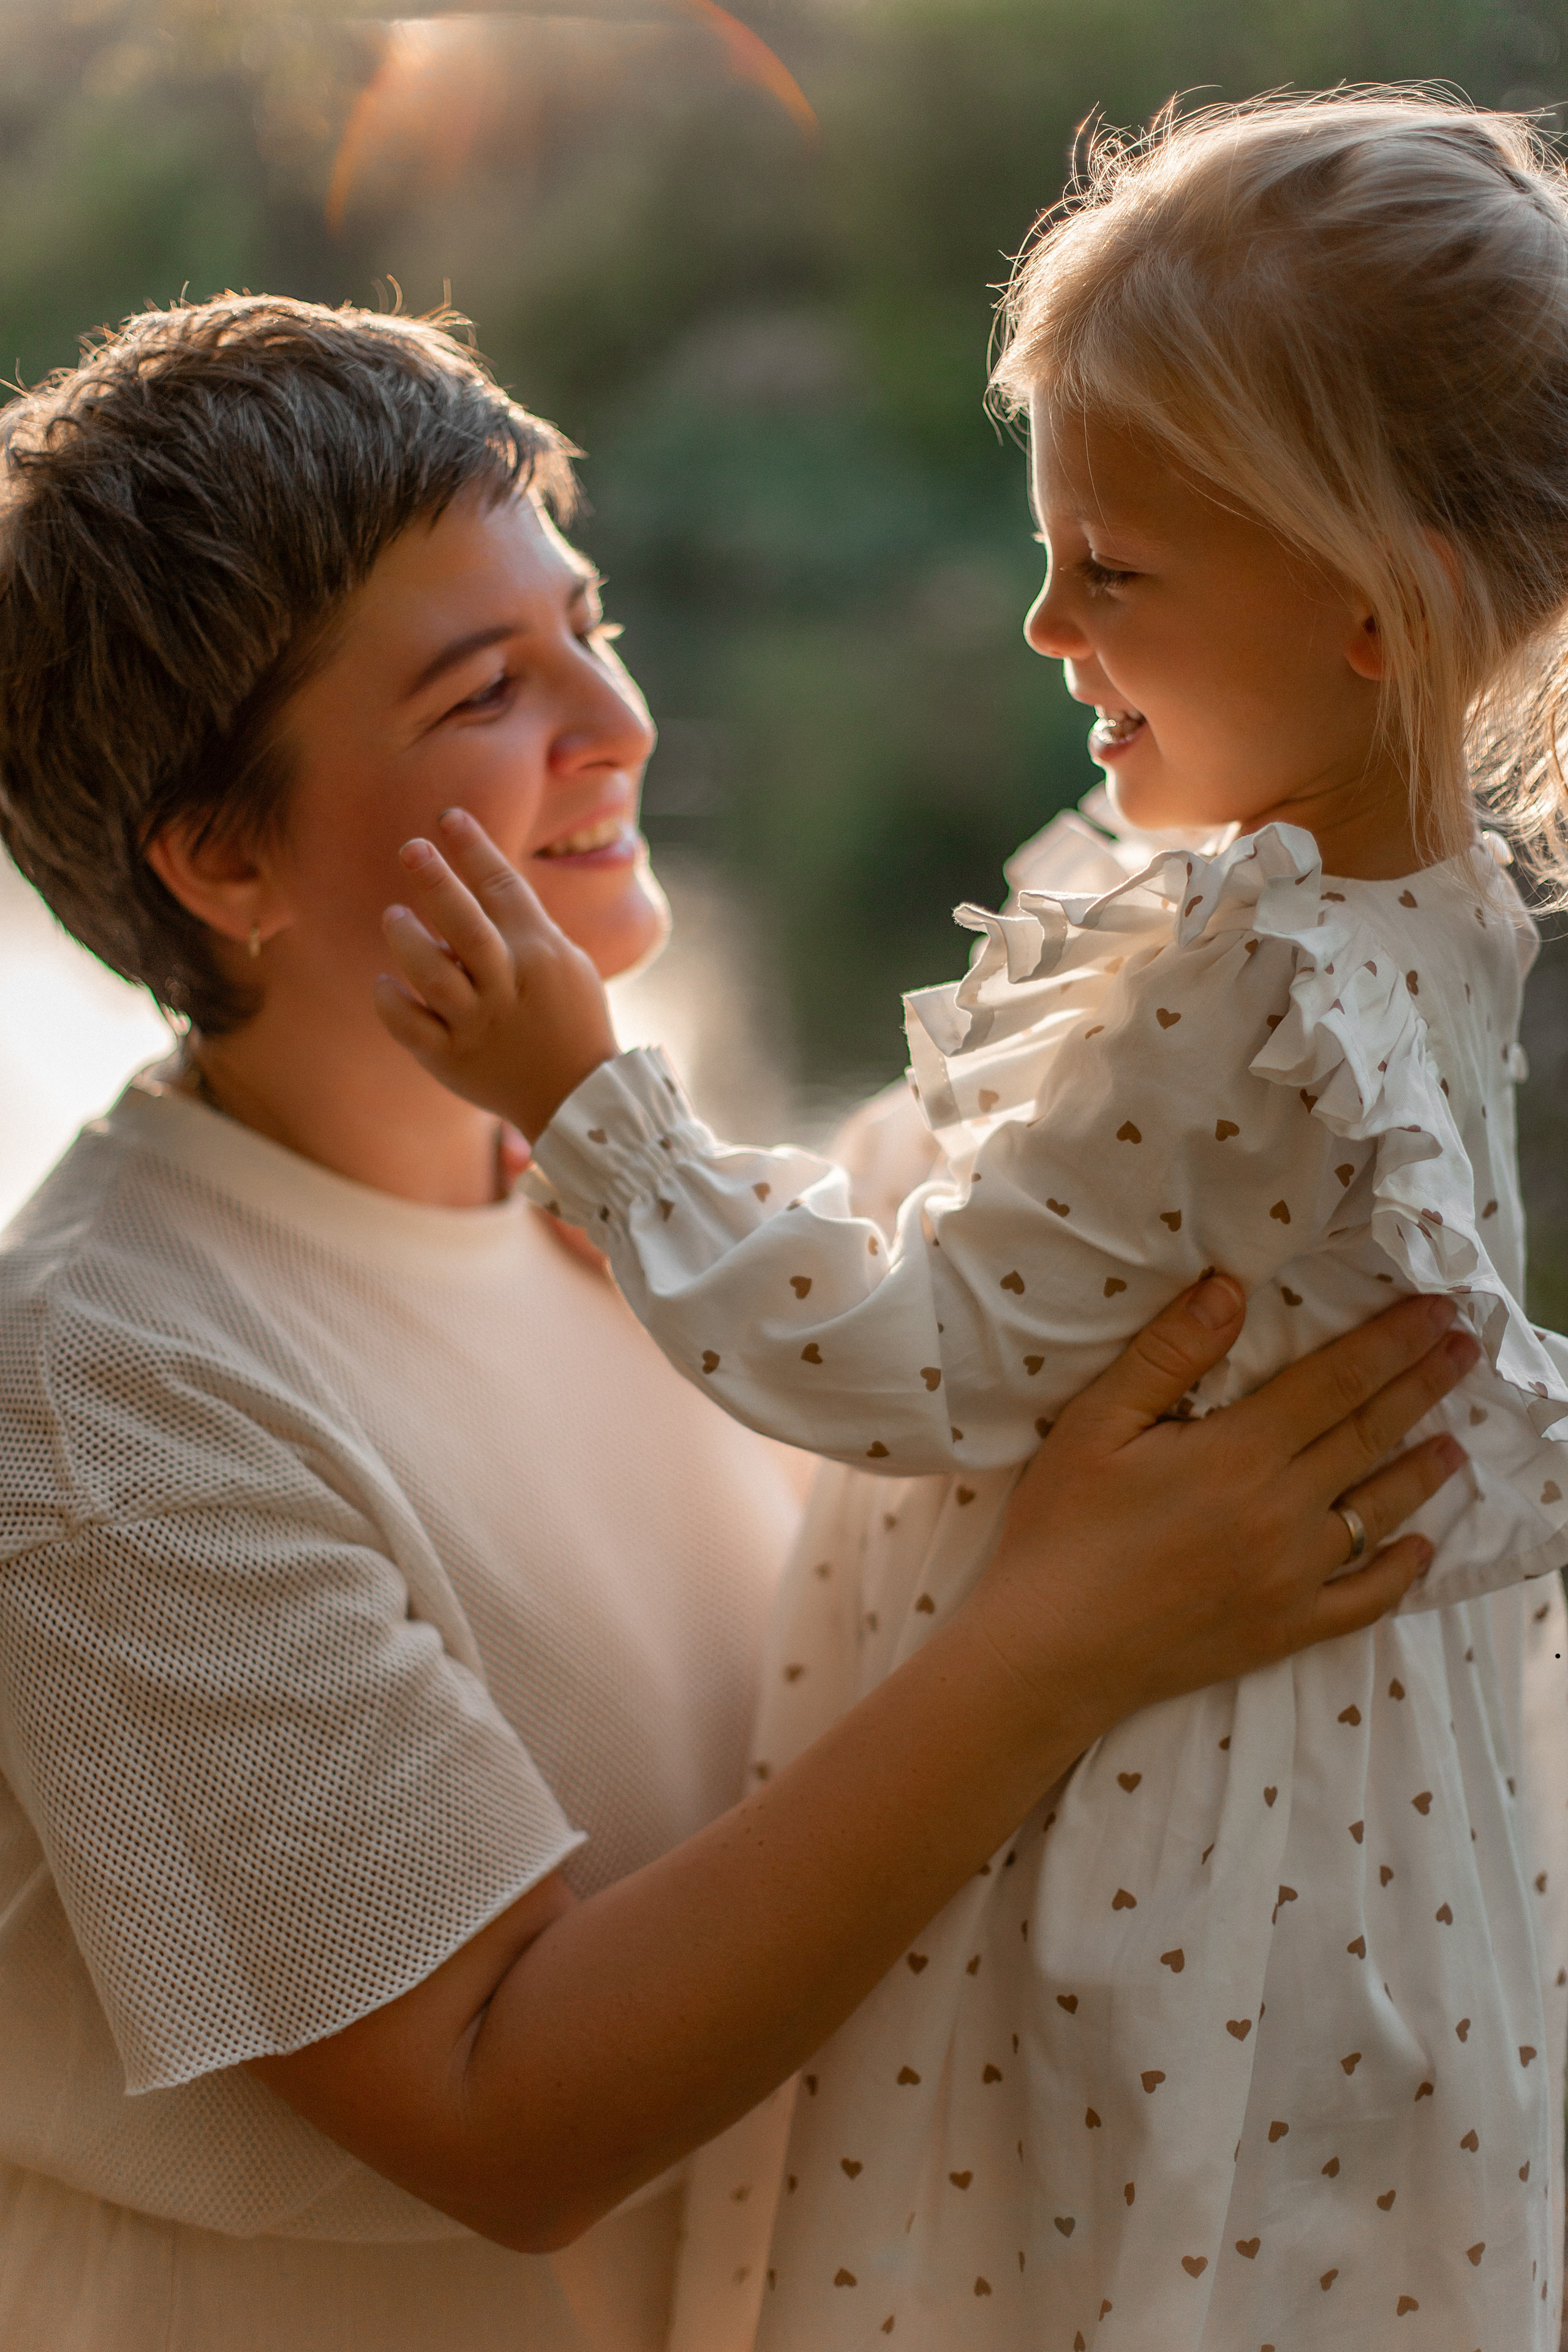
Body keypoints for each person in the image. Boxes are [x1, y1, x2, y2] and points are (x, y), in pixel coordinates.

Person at [372, 95, 1568, 2350]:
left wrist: (593, 1113)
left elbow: (914, 1366)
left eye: (1109, 573)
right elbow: (1087, 1259)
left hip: (1154, 1810)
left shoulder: (1236, 973)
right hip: (1366, 1808)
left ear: (1376, 614)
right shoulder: (1430, 905)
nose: (1040, 625)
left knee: (1045, 2247)